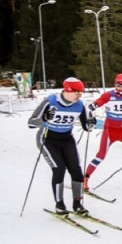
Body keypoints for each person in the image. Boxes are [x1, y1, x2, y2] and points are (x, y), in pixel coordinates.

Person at [27, 77, 96, 214]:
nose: (79, 96)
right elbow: (31, 123)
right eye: (77, 93)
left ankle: (77, 204)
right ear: (67, 90)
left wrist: (90, 123)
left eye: (81, 93)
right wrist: (45, 118)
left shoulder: (79, 105)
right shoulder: (51, 101)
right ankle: (60, 204)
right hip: (47, 139)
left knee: (76, 171)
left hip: (66, 139)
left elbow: (86, 126)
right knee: (59, 169)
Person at [83, 73, 122, 190]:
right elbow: (96, 103)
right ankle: (85, 178)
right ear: (115, 85)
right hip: (110, 130)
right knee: (101, 155)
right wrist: (93, 107)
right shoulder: (108, 95)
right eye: (119, 85)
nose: (121, 88)